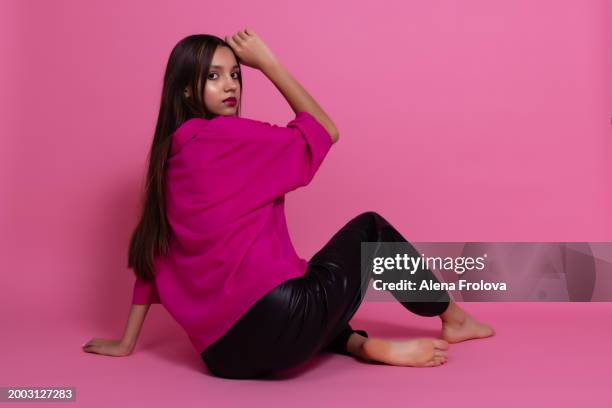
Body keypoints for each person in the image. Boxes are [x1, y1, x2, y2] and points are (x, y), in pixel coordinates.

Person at [82, 28, 494, 379]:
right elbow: (324, 131)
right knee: (371, 231)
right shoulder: (228, 136)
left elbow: (151, 261)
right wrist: (269, 64)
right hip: (284, 324)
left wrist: (125, 342)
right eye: (214, 76)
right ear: (188, 88)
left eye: (237, 74)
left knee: (308, 276)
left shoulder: (166, 163)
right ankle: (453, 319)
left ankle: (359, 346)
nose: (231, 85)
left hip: (222, 358)